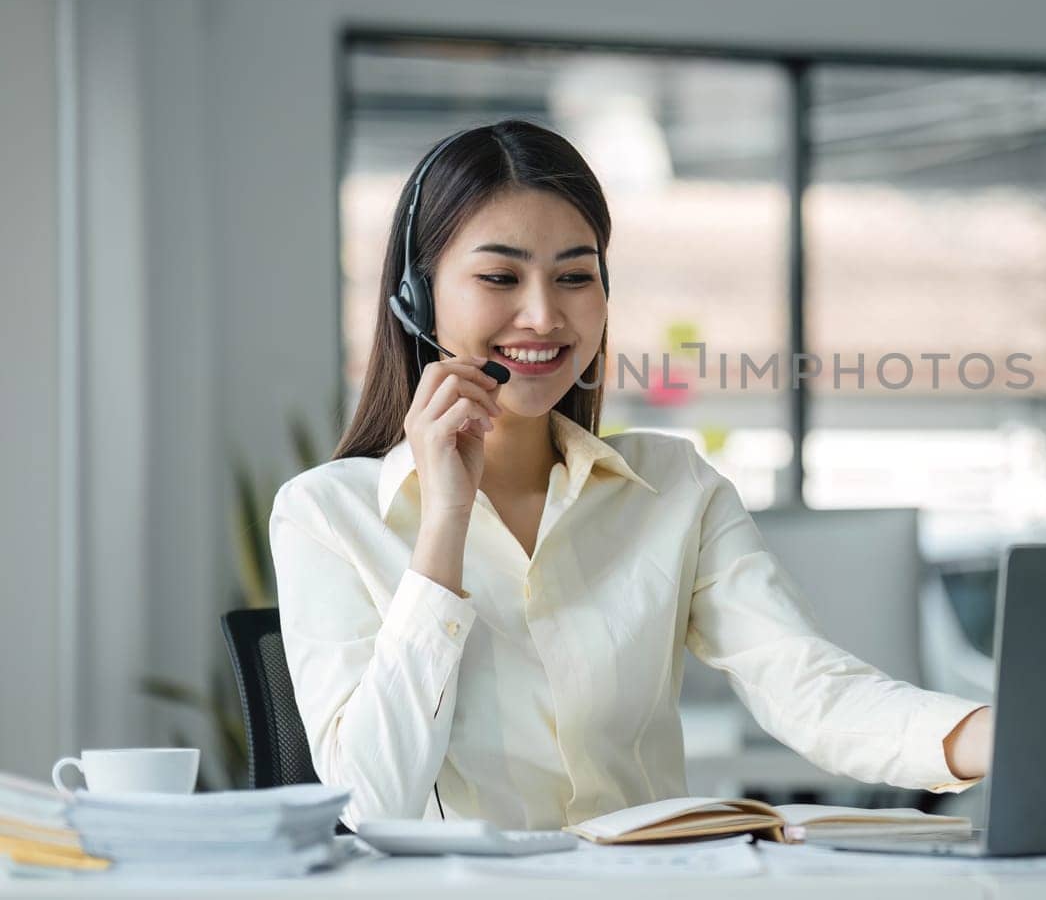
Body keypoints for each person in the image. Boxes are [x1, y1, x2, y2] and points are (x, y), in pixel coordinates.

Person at [269, 120, 993, 830]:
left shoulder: (674, 487)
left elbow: (807, 687)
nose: (544, 314)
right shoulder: (326, 515)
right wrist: (444, 525)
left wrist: (1000, 732)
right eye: (499, 276)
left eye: (575, 276)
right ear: (418, 298)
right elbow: (370, 802)